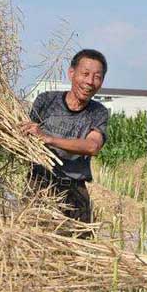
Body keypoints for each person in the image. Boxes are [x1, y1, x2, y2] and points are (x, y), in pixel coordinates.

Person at [21, 49, 109, 229]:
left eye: (97, 77)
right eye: (85, 74)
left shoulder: (98, 112)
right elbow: (23, 133)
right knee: (30, 247)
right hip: (39, 186)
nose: (90, 82)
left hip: (75, 192)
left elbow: (92, 146)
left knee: (77, 250)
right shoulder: (46, 101)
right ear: (71, 73)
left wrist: (49, 138)